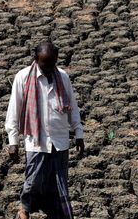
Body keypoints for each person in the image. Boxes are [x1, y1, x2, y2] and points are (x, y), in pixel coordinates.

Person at [5, 41, 84, 219]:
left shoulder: (63, 77)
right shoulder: (23, 77)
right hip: (36, 142)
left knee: (59, 185)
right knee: (33, 182)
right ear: (35, 59)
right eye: (44, 64)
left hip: (60, 142)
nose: (48, 69)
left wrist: (78, 133)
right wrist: (13, 141)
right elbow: (14, 109)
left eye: (52, 64)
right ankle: (24, 211)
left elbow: (73, 106)